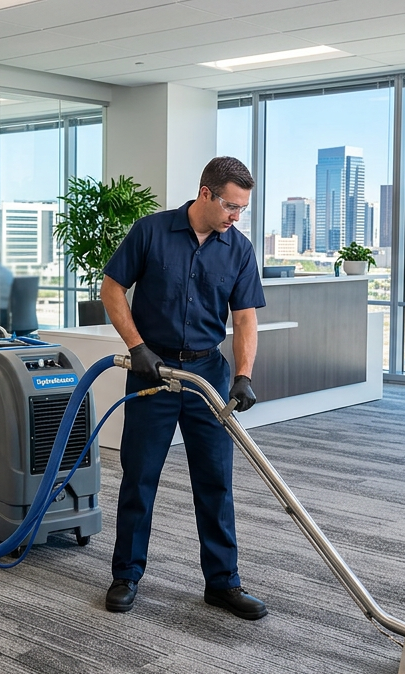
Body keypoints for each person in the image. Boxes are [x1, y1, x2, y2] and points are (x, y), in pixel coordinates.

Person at [100, 156, 266, 620]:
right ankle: (126, 574)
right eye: (232, 206)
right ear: (206, 193)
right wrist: (136, 347)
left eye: (243, 209)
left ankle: (223, 582)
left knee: (215, 480)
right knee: (140, 475)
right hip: (153, 371)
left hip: (206, 375)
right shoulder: (151, 232)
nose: (237, 216)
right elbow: (111, 288)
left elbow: (245, 316)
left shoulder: (239, 249)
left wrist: (244, 374)